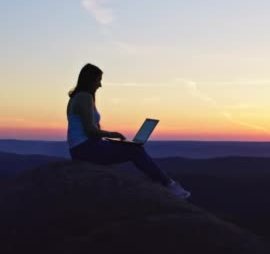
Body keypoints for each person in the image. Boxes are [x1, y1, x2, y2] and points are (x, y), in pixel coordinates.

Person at [66, 63, 191, 199]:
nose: (100, 85)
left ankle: (164, 182)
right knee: (135, 150)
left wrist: (110, 140)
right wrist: (112, 134)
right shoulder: (85, 97)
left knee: (132, 148)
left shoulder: (77, 97)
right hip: (86, 149)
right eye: (98, 80)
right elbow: (90, 130)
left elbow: (89, 129)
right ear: (90, 80)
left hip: (84, 148)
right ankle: (169, 185)